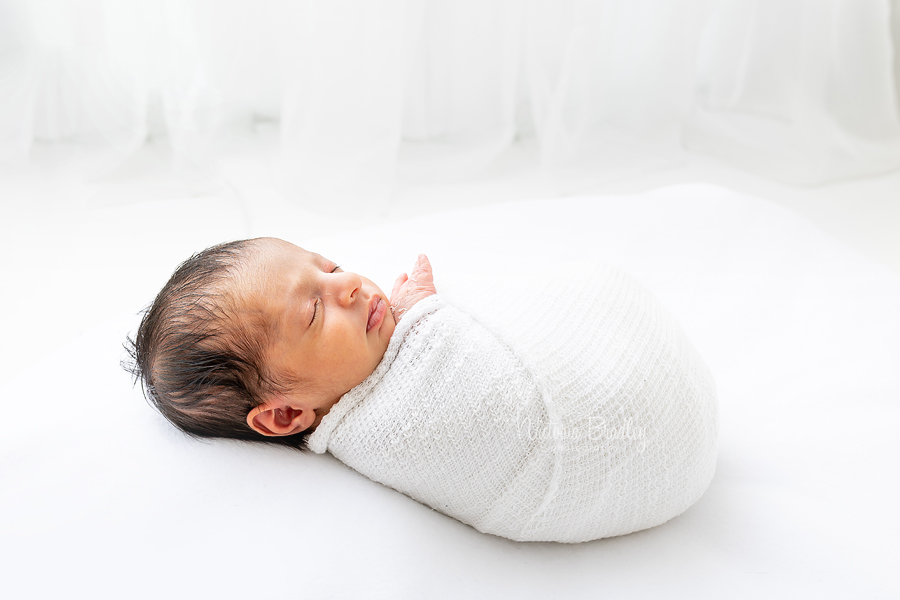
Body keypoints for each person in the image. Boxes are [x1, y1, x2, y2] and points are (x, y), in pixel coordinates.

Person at [129, 236, 717, 542]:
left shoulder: (352, 371)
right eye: (312, 312)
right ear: (284, 415)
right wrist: (428, 321)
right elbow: (507, 422)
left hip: (664, 406)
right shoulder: (388, 427)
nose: (351, 287)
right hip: (633, 435)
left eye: (328, 268)